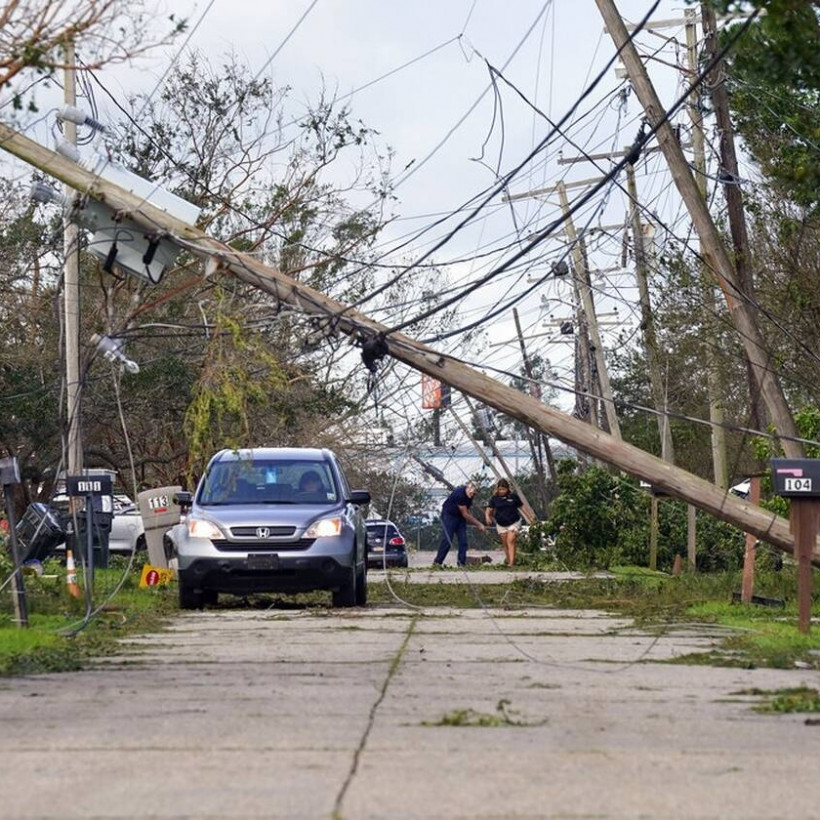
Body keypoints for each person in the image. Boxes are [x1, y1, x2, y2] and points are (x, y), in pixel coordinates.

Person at [433, 482, 485, 567]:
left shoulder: (470, 497)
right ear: (468, 487)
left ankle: (461, 563)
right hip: (449, 515)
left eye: (474, 492)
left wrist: (474, 520)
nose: (472, 494)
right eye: (471, 491)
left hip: (460, 517)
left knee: (463, 540)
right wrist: (479, 524)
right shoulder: (460, 494)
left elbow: (467, 511)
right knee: (447, 539)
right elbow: (465, 514)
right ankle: (437, 562)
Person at [485, 479, 523, 567]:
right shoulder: (494, 498)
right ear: (497, 489)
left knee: (511, 540)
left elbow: (522, 507)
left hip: (514, 522)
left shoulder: (513, 497)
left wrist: (531, 519)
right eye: (500, 489)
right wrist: (487, 516)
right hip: (501, 524)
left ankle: (511, 563)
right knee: (505, 543)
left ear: (507, 489)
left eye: (503, 489)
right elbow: (489, 509)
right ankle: (509, 560)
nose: (502, 491)